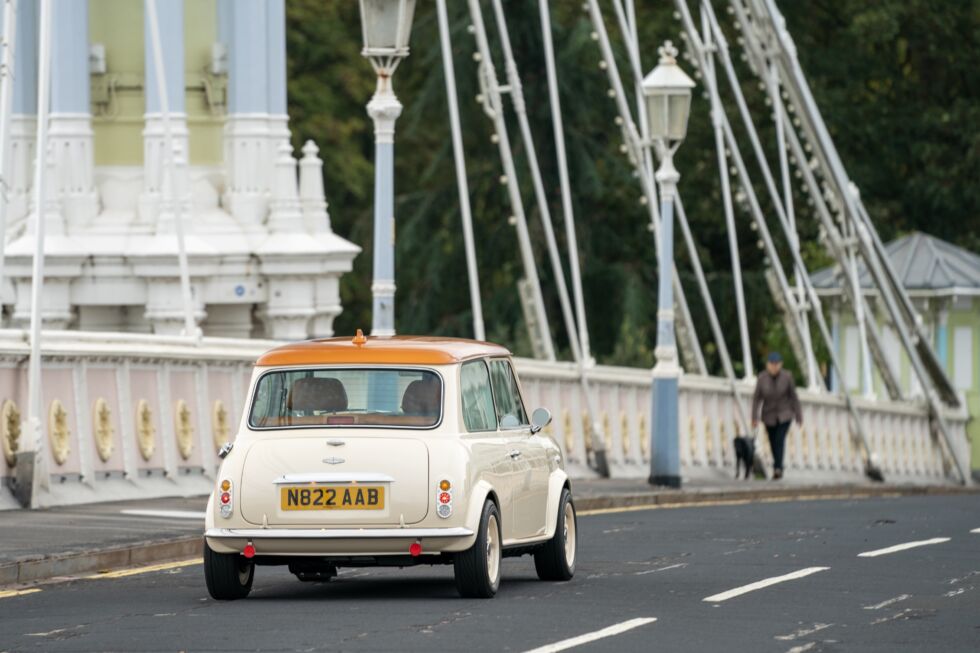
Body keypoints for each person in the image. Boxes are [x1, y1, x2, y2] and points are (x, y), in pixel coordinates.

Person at [751, 352, 802, 479]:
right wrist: (754, 417)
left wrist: (798, 415)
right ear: (768, 365)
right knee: (773, 441)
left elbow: (793, 397)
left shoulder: (787, 377)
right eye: (772, 364)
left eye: (776, 364)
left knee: (780, 439)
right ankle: (777, 465)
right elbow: (757, 399)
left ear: (781, 364)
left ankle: (778, 467)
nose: (774, 367)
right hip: (769, 416)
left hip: (785, 414)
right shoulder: (762, 378)